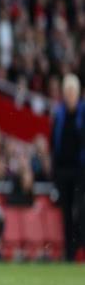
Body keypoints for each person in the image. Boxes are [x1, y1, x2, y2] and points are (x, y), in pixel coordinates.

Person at [51, 73, 85, 261]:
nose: (70, 95)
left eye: (72, 91)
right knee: (66, 213)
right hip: (63, 170)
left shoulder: (83, 113)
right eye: (67, 91)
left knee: (79, 210)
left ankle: (79, 246)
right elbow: (53, 143)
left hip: (80, 171)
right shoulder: (59, 115)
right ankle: (69, 253)